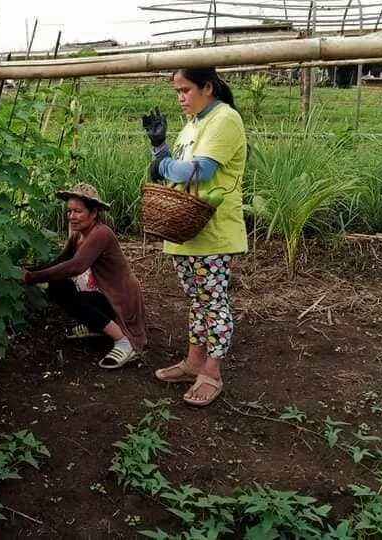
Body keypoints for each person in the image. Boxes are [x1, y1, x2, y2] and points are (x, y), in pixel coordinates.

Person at [141, 67, 247, 406]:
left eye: (185, 90)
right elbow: (173, 170)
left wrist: (163, 164)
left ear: (208, 87)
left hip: (212, 232)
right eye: (176, 92)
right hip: (186, 230)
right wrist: (159, 148)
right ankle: (192, 362)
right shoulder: (193, 125)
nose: (180, 98)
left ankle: (211, 372)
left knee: (214, 302)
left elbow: (197, 171)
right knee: (198, 301)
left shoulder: (225, 120)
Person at [21, 183, 146, 369]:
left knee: (76, 302)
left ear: (93, 212)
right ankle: (98, 326)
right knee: (59, 287)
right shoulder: (78, 236)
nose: (72, 216)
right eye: (69, 211)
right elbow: (60, 261)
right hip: (107, 295)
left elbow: (76, 266)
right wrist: (29, 270)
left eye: (78, 211)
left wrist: (32, 278)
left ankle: (124, 341)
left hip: (122, 297)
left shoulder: (101, 233)